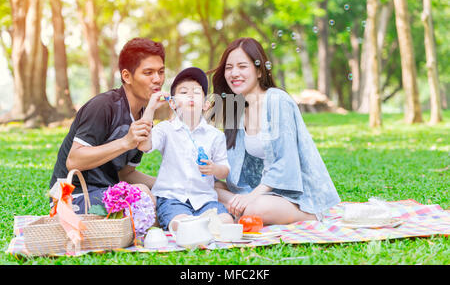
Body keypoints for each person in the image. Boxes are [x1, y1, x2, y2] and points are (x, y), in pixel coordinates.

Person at [210, 37, 341, 224]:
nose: (234, 73)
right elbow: (233, 165)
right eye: (229, 67)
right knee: (209, 188)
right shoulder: (236, 108)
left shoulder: (277, 101)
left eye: (242, 66)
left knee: (255, 209)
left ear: (258, 71)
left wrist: (251, 197)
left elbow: (285, 162)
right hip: (260, 192)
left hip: (291, 196)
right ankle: (240, 206)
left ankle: (310, 216)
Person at [49, 37, 165, 214]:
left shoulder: (142, 116)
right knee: (143, 199)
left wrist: (170, 185)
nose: (157, 79)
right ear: (127, 76)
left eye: (161, 72)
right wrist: (126, 142)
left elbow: (126, 174)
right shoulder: (103, 106)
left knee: (167, 198)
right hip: (73, 198)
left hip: (106, 193)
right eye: (148, 73)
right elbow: (73, 161)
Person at [138, 67, 234, 231]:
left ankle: (197, 227)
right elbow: (144, 145)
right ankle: (197, 226)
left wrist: (214, 168)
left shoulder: (215, 135)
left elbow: (224, 170)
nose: (190, 95)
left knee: (227, 221)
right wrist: (151, 108)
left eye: (196, 92)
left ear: (205, 104)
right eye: (183, 92)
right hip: (172, 199)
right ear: (173, 103)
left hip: (205, 200)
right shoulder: (166, 129)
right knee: (180, 222)